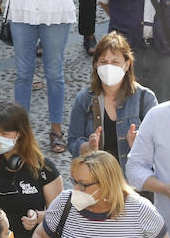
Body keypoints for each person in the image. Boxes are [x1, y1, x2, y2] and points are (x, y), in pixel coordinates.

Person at [0, 101, 64, 238]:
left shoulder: (44, 168)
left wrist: (38, 217)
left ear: (20, 133)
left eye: (5, 133)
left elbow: (59, 214)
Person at [68, 32, 159, 161]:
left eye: (115, 62)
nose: (109, 67)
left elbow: (159, 145)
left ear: (127, 64)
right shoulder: (84, 99)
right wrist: (87, 147)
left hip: (131, 178)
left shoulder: (146, 99)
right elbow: (72, 142)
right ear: (96, 65)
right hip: (97, 176)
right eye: (103, 61)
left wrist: (139, 145)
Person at [38, 150, 165, 238]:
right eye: (75, 182)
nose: (75, 189)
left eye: (83, 185)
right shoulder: (64, 203)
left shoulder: (140, 210)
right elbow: (41, 234)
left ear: (107, 184)